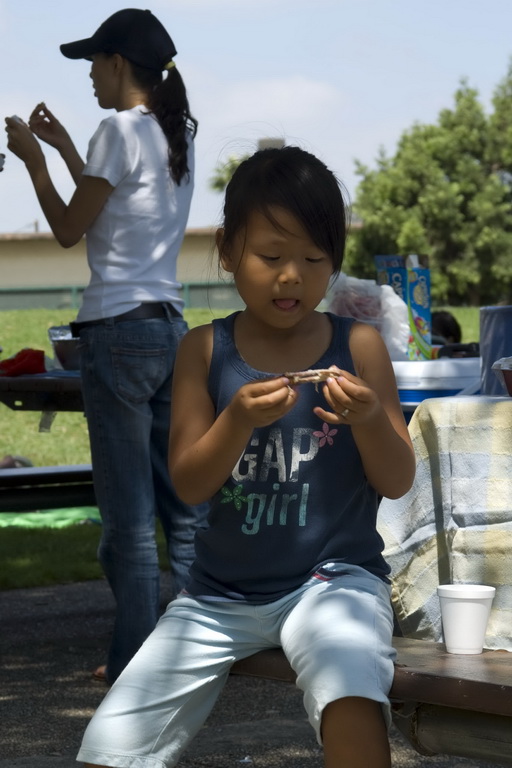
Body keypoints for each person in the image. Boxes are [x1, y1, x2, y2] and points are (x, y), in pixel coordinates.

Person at [76, 146, 416, 768]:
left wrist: (369, 419)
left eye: (314, 259)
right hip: (216, 596)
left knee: (350, 690)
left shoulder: (359, 346)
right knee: (110, 743)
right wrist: (235, 420)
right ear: (229, 251)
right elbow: (190, 483)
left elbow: (397, 481)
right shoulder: (204, 350)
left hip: (333, 582)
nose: (292, 276)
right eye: (271, 256)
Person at [4, 8, 208, 684]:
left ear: (119, 63)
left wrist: (35, 161)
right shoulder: (174, 132)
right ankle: (196, 652)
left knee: (128, 522)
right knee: (181, 512)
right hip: (169, 331)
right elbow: (117, 208)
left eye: (94, 61)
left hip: (117, 335)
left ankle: (136, 668)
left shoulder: (117, 129)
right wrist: (67, 148)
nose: (89, 74)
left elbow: (70, 228)